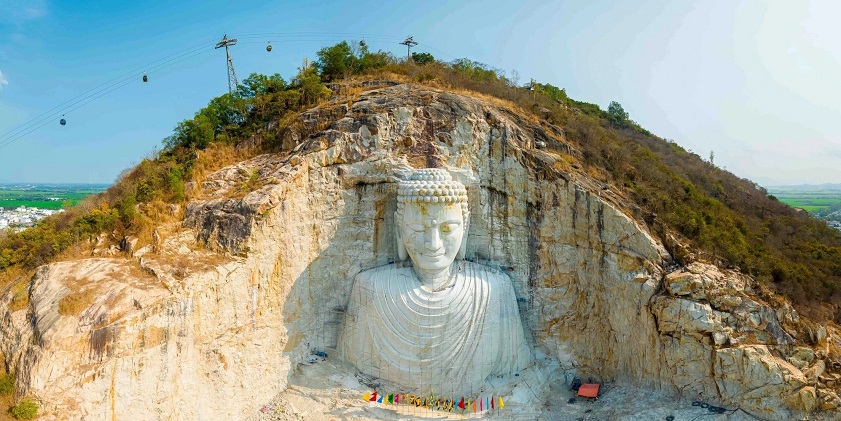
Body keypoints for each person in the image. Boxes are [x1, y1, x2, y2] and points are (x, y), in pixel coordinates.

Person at [339, 168, 531, 396]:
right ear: (399, 228)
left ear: (465, 227)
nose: (434, 244)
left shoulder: (494, 289)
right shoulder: (369, 287)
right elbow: (350, 368)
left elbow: (515, 370)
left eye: (447, 228)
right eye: (419, 228)